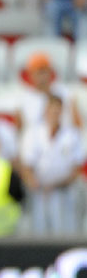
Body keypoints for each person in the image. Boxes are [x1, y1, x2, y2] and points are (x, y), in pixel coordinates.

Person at [19, 94, 84, 235]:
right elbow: (26, 164)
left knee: (66, 231)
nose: (54, 114)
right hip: (39, 192)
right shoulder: (33, 133)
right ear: (45, 110)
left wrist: (55, 185)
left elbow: (76, 168)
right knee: (39, 232)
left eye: (57, 110)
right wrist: (35, 183)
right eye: (51, 109)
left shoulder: (72, 134)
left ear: (61, 112)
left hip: (64, 192)